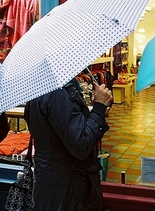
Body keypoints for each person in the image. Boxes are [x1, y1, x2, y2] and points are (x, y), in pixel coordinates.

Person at [24, 78, 114, 211]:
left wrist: (96, 111)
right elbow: (81, 144)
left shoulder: (41, 86)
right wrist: (98, 109)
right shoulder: (57, 92)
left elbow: (64, 130)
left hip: (56, 184)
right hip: (65, 190)